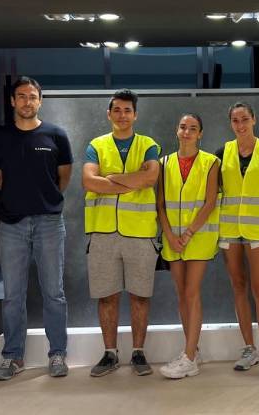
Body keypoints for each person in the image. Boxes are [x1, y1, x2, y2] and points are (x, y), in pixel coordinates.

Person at [0, 76, 73, 380]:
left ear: (40, 101)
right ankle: (12, 356)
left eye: (33, 96)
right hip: (11, 224)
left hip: (49, 222)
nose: (27, 102)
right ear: (13, 101)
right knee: (13, 294)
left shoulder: (56, 135)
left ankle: (58, 354)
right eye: (21, 96)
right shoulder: (0, 137)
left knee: (54, 292)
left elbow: (63, 177)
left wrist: (43, 201)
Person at [83, 89, 160, 377]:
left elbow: (151, 177)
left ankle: (139, 353)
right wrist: (132, 182)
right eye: (117, 110)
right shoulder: (96, 145)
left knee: (140, 295)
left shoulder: (148, 144)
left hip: (140, 233)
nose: (122, 115)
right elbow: (89, 182)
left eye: (127, 110)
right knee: (107, 296)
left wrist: (110, 178)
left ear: (135, 115)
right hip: (102, 233)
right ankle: (110, 353)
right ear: (109, 114)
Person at [216, 102, 259, 383]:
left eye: (245, 118)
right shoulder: (222, 152)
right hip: (229, 230)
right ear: (230, 123)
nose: (240, 124)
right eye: (235, 120)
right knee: (238, 287)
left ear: (254, 119)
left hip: (258, 231)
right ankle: (249, 349)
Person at [156, 113, 220, 379]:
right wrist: (170, 235)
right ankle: (192, 348)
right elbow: (159, 204)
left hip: (199, 237)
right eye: (183, 127)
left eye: (193, 128)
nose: (187, 132)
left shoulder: (210, 162)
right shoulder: (164, 162)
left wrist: (189, 232)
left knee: (192, 292)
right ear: (176, 130)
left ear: (200, 134)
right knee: (182, 293)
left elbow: (210, 202)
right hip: (173, 240)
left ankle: (189, 358)